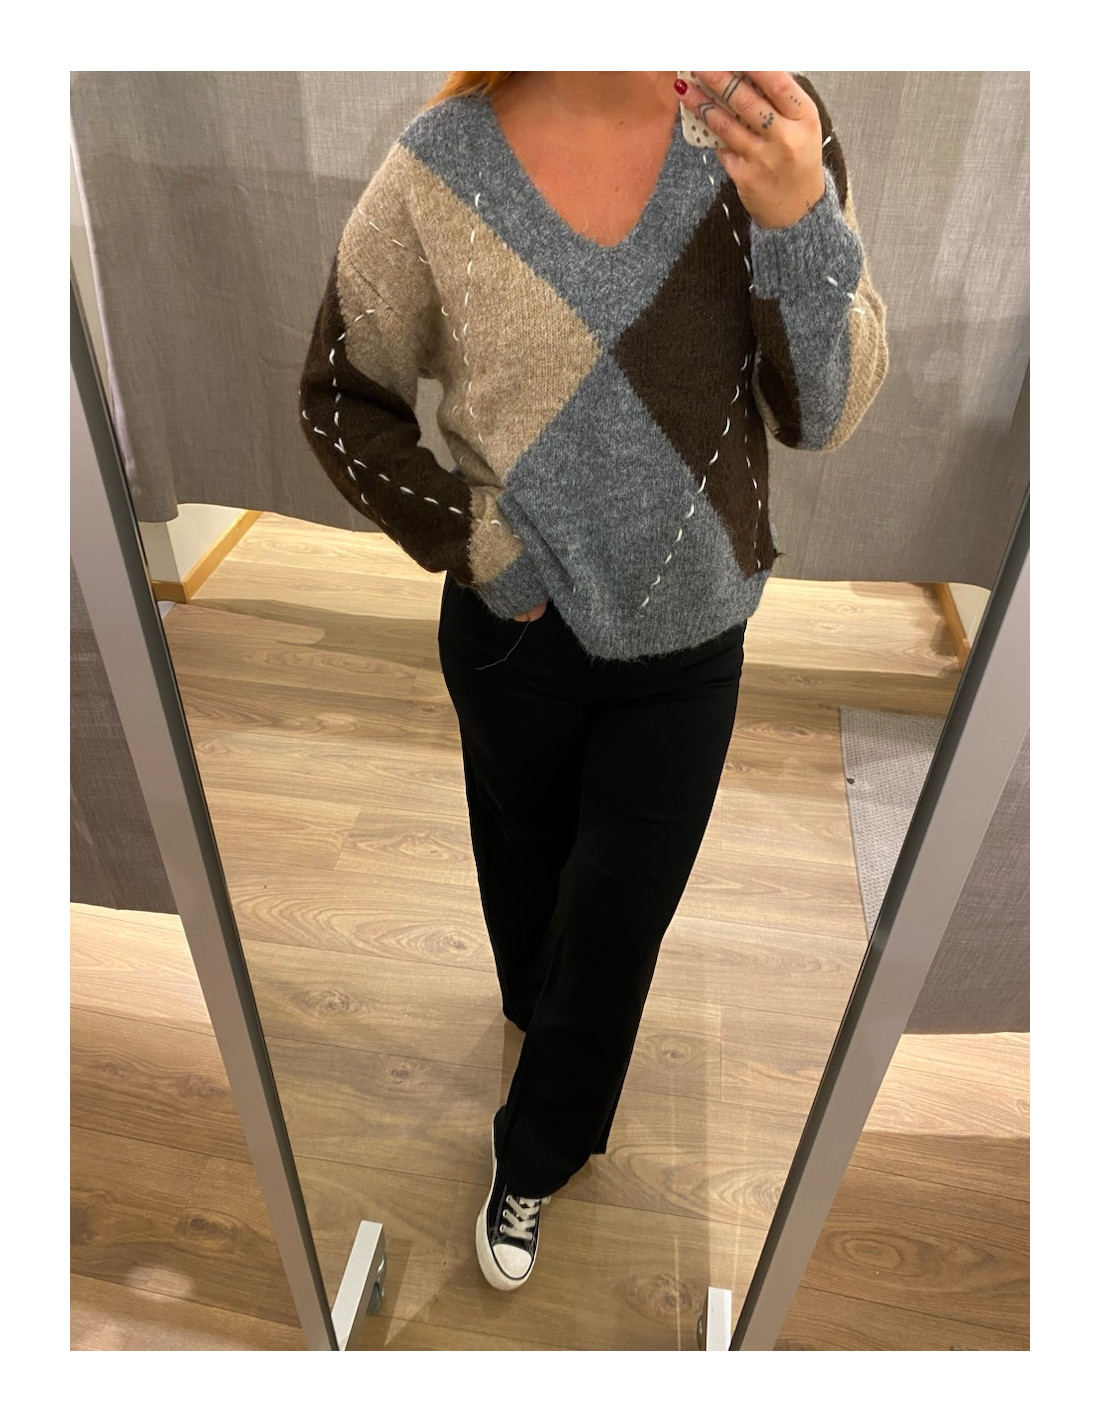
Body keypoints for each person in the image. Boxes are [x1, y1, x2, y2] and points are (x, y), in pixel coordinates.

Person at [299, 70, 888, 1293]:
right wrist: (479, 545)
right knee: (524, 873)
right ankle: (535, 1012)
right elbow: (340, 397)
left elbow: (820, 414)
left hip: (691, 641)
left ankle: (537, 1149)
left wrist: (797, 222)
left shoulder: (768, 131)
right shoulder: (440, 163)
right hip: (512, 631)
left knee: (616, 921)